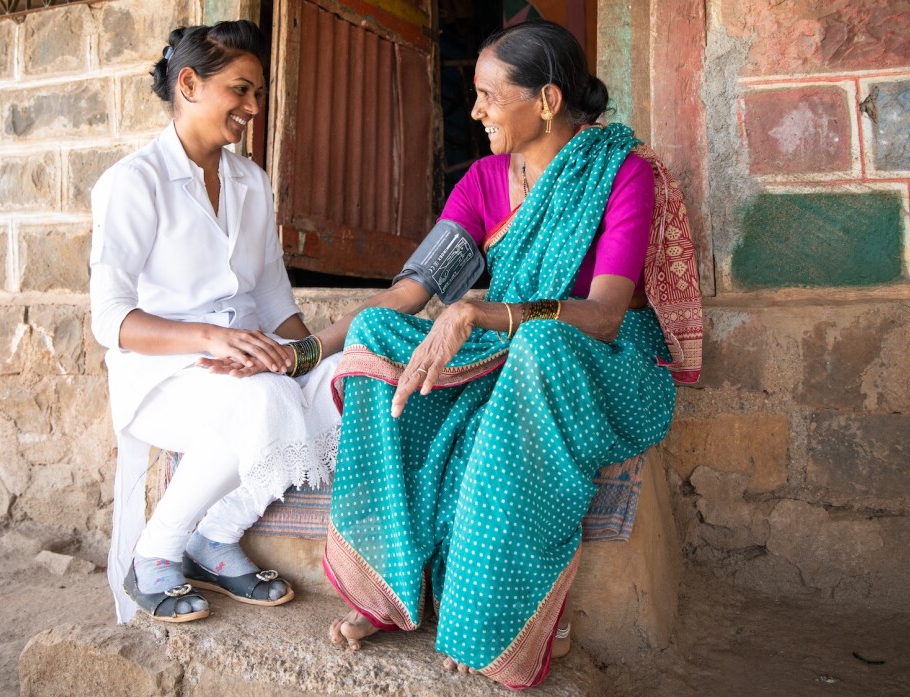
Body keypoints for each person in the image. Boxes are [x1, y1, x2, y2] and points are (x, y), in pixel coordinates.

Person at [306, 19, 702, 689]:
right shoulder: (486, 182)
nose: (476, 110)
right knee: (376, 331)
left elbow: (605, 316)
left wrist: (482, 311)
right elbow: (414, 290)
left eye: (489, 95)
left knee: (541, 341)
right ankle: (390, 584)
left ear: (546, 101)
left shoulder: (621, 173)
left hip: (602, 367)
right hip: (508, 352)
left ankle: (494, 615)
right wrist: (309, 349)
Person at [89, 20, 339, 625]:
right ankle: (156, 553)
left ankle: (214, 537)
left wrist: (307, 360)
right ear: (191, 83)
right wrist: (215, 338)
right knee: (262, 399)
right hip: (166, 375)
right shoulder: (133, 182)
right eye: (241, 90)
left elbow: (277, 301)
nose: (253, 107)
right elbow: (111, 319)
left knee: (345, 378)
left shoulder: (251, 184)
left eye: (258, 94)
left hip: (249, 365)